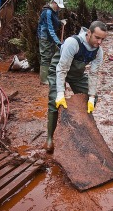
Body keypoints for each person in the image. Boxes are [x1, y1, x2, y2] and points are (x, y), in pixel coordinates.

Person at [43, 21, 108, 153]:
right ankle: (50, 138)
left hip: (77, 74)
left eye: (102, 39)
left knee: (92, 99)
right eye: (97, 37)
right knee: (55, 100)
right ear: (89, 33)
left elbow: (94, 74)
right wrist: (61, 93)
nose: (100, 42)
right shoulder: (73, 43)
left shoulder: (98, 52)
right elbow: (62, 69)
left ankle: (78, 129)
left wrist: (91, 97)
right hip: (59, 69)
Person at [37, 0, 66, 85]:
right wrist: (58, 43)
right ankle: (43, 80)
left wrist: (60, 21)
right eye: (58, 6)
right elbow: (50, 29)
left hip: (50, 37)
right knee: (45, 57)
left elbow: (54, 21)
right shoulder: (47, 12)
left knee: (52, 56)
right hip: (45, 37)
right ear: (53, 3)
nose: (59, 9)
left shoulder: (54, 11)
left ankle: (50, 76)